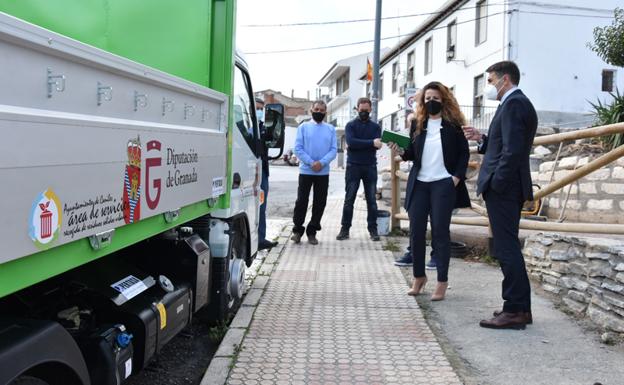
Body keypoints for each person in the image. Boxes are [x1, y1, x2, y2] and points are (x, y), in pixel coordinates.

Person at [463, 61, 537, 329]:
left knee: (506, 249)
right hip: (506, 186)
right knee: (507, 247)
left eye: (491, 81)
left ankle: (514, 310)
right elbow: (502, 144)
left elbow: (514, 151)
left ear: (505, 79)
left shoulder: (515, 103)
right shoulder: (511, 104)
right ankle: (521, 309)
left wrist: (497, 182)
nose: (489, 87)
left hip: (505, 189)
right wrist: (482, 138)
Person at [388, 81, 470, 301]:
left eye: (435, 98)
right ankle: (418, 277)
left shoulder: (453, 126)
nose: (431, 102)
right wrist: (400, 151)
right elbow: (412, 154)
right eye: (427, 98)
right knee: (415, 231)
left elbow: (464, 153)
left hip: (443, 183)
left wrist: (456, 178)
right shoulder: (418, 124)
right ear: (422, 101)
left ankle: (441, 282)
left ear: (443, 100)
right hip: (420, 184)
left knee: (440, 233)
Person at [291, 100, 337, 245]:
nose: (319, 112)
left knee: (320, 202)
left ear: (326, 112)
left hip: (323, 173)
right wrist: (311, 162)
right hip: (306, 171)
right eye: (316, 109)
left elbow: (333, 150)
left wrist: (321, 163)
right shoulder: (303, 127)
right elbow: (297, 148)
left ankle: (312, 231)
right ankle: (297, 231)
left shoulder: (330, 129)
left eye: (322, 110)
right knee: (301, 201)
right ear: (311, 110)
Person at [336, 97, 382, 242]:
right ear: (357, 109)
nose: (364, 113)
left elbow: (377, 144)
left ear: (370, 110)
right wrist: (371, 143)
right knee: (349, 200)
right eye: (361, 110)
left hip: (370, 166)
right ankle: (344, 229)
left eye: (366, 111)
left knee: (372, 201)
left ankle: (373, 230)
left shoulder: (376, 127)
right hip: (353, 167)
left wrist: (361, 144)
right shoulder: (350, 125)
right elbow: (351, 142)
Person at [255, 98, 278, 251]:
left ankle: (260, 238)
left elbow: (274, 139)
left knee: (262, 205)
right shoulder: (242, 126)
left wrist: (275, 121)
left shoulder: (264, 128)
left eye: (261, 109)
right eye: (256, 108)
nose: (258, 111)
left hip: (262, 169)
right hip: (246, 168)